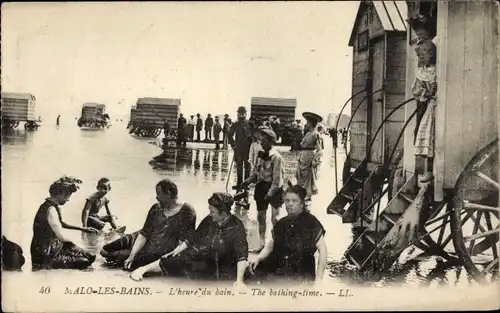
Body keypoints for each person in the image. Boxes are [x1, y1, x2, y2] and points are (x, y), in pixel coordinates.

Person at [130, 192, 248, 287]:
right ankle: (142, 269)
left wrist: (240, 281)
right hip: (208, 257)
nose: (210, 214)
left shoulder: (237, 226)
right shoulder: (209, 220)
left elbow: (242, 255)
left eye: (212, 212)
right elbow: (193, 237)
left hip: (225, 263)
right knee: (180, 258)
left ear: (223, 212)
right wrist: (176, 251)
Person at [100, 179, 196, 271]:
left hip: (153, 253)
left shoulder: (187, 211)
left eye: (159, 194)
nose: (156, 197)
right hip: (138, 239)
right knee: (105, 250)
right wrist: (132, 255)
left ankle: (125, 254)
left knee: (120, 259)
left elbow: (183, 244)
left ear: (169, 194)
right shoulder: (156, 208)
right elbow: (144, 234)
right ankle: (124, 246)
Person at [247, 184, 327, 285]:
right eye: (287, 200)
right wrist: (258, 258)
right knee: (249, 270)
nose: (290, 204)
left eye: (294, 201)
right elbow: (270, 247)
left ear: (302, 204)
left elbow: (323, 250)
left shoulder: (311, 222)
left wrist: (319, 279)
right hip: (281, 268)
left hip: (302, 272)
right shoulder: (281, 223)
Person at [31, 176, 97, 270]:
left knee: (90, 256)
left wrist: (83, 229)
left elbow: (60, 224)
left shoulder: (48, 205)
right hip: (47, 254)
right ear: (60, 194)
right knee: (86, 261)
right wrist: (77, 248)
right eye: (68, 195)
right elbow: (62, 237)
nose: (68, 199)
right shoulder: (51, 209)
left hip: (49, 249)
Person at [240, 127, 285, 251]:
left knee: (275, 219)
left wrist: (270, 194)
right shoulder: (260, 155)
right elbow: (256, 173)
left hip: (275, 189)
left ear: (271, 141)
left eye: (265, 141)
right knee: (261, 217)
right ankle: (262, 244)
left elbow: (277, 180)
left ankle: (276, 244)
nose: (262, 143)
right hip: (262, 187)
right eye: (260, 141)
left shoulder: (277, 157)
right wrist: (248, 181)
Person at [296, 112, 323, 202]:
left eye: (308, 122)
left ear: (311, 123)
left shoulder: (316, 134)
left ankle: (307, 196)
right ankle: (302, 194)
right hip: (303, 156)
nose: (306, 124)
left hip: (309, 157)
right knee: (301, 176)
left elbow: (319, 150)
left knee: (308, 177)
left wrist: (315, 161)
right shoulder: (308, 133)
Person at [228, 106, 252, 190]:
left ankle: (246, 184)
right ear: (237, 114)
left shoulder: (249, 123)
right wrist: (233, 145)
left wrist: (252, 145)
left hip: (248, 149)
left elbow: (253, 135)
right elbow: (230, 135)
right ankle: (239, 184)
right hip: (238, 149)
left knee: (247, 166)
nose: (241, 115)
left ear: (245, 114)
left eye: (243, 113)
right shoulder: (235, 124)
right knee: (239, 166)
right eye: (240, 113)